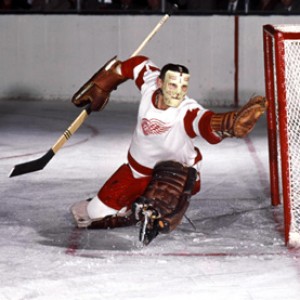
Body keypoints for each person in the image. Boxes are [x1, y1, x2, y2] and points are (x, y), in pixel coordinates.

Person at [70, 55, 267, 245]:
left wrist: (227, 124)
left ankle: (149, 208)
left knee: (159, 207)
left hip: (176, 172)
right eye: (172, 85)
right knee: (95, 213)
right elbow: (138, 63)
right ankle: (134, 208)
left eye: (183, 86)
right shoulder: (149, 87)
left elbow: (205, 122)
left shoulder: (186, 110)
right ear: (159, 82)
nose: (178, 92)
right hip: (137, 170)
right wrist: (108, 80)